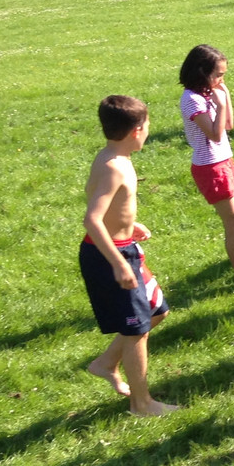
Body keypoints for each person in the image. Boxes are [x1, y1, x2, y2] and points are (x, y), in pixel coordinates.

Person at [80, 95, 176, 417]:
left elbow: (105, 206)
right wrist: (119, 264)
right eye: (147, 125)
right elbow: (92, 219)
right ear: (137, 130)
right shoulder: (113, 167)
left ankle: (106, 364)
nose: (149, 130)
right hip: (109, 256)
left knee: (157, 310)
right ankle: (142, 404)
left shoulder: (113, 157)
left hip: (125, 248)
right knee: (137, 330)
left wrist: (129, 224)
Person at [179, 44, 234, 285]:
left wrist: (225, 97)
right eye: (218, 74)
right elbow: (214, 134)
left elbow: (228, 124)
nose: (221, 79)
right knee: (232, 222)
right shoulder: (191, 99)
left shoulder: (210, 93)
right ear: (201, 71)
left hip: (224, 161)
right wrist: (218, 105)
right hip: (210, 167)